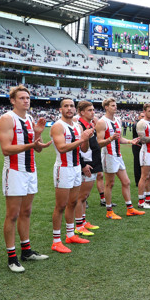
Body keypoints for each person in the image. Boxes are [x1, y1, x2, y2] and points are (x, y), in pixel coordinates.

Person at [0, 85, 52, 272]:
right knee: (12, 214)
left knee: (26, 212)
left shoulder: (29, 118)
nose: (26, 101)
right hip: (14, 171)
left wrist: (37, 136)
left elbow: (35, 148)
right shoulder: (7, 118)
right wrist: (31, 144)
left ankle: (26, 250)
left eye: (27, 98)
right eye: (21, 98)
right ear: (13, 100)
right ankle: (12, 257)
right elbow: (6, 148)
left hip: (30, 170)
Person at [50, 99, 94, 253]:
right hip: (63, 168)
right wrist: (82, 139)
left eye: (71, 106)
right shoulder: (57, 126)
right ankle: (56, 241)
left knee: (73, 203)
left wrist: (86, 138)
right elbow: (62, 148)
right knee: (61, 206)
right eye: (66, 106)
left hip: (76, 168)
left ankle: (70, 235)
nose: (69, 108)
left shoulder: (77, 126)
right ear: (60, 109)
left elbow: (83, 148)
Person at [95, 98, 145, 219]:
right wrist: (110, 139)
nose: (115, 107)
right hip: (108, 155)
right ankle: (109, 211)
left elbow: (120, 139)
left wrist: (130, 141)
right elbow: (99, 143)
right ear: (106, 107)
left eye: (115, 105)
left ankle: (130, 208)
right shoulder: (102, 122)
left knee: (126, 182)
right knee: (110, 183)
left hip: (118, 155)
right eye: (112, 105)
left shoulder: (117, 120)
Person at [75, 101, 102, 236]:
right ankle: (79, 225)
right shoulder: (79, 126)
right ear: (82, 112)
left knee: (85, 196)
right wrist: (83, 164)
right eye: (90, 110)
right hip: (87, 163)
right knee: (81, 196)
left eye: (93, 110)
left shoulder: (89, 125)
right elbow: (79, 148)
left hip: (93, 162)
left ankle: (83, 222)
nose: (93, 112)